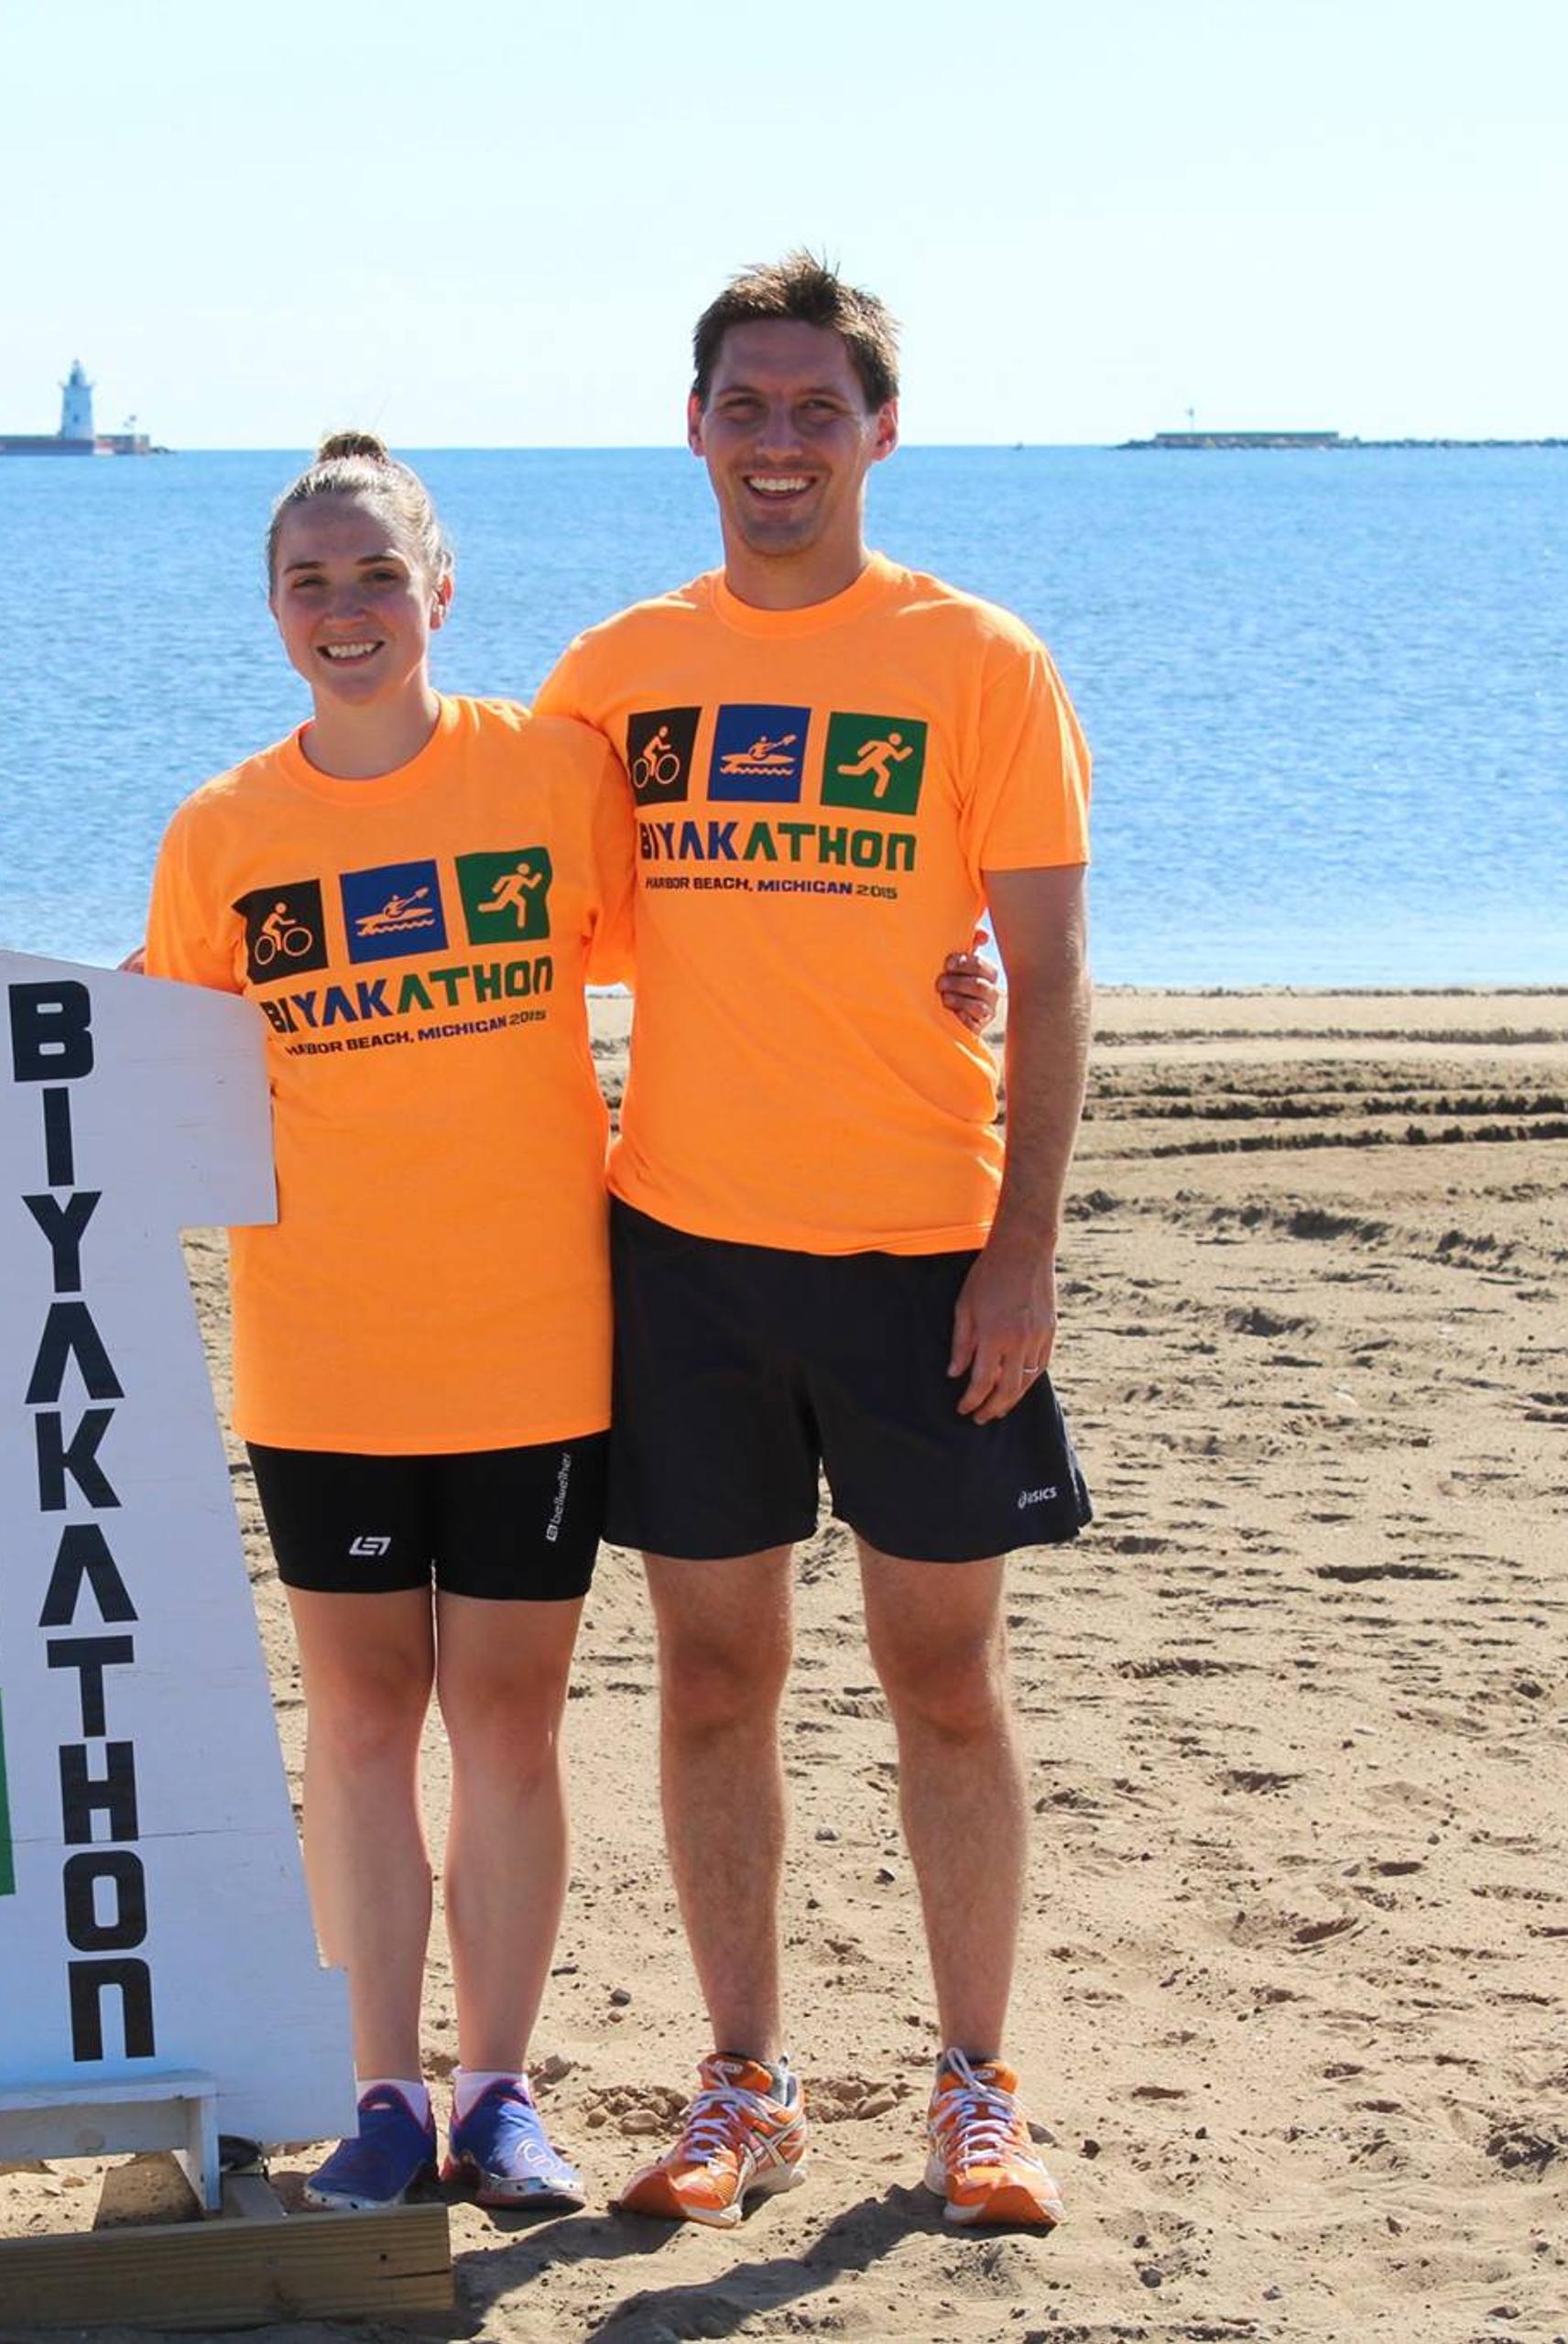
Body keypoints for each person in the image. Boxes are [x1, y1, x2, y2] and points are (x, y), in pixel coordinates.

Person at [142, 434, 996, 2215]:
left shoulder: (547, 772)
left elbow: (731, 912)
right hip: (326, 1344)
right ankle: (384, 2091)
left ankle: (501, 2088)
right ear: (273, 613)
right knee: (366, 1713)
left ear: (441, 592)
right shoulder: (224, 830)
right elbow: (171, 1078)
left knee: (511, 1714)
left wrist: (945, 956)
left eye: (378, 574)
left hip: (539, 1328)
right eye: (311, 581)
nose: (347, 609)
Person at [532, 252, 1095, 2231]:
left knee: (945, 1674)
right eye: (746, 407)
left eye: (817, 409)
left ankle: (974, 2083)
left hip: (926, 1251)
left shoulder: (978, 660)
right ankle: (745, 2082)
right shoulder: (613, 672)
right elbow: (533, 929)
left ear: (878, 431)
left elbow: (1044, 965)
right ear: (695, 428)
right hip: (683, 1249)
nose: (781, 442)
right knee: (710, 1677)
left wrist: (1022, 1245)